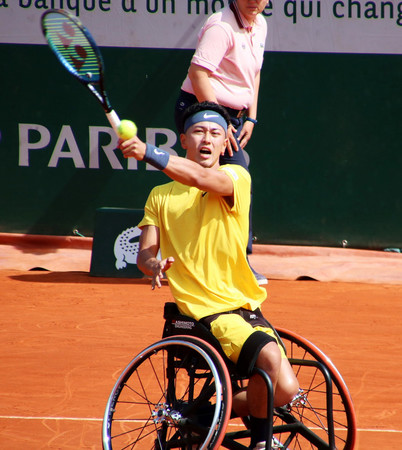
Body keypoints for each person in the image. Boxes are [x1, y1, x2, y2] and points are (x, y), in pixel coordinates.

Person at [119, 102, 299, 449]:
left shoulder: (235, 178)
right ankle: (262, 444)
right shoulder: (159, 196)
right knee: (271, 360)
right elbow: (145, 253)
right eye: (199, 131)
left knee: (286, 389)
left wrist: (148, 152)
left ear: (225, 144)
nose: (207, 138)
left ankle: (204, 415)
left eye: (216, 133)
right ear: (184, 139)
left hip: (244, 306)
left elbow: (201, 178)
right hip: (204, 311)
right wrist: (153, 265)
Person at [174, 0, 270, 285]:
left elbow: (253, 72)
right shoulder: (221, 26)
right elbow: (198, 73)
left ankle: (212, 258)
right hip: (202, 109)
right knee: (236, 176)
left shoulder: (260, 24)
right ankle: (238, 261)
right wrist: (218, 120)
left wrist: (251, 116)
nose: (254, 1)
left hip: (233, 116)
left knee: (226, 177)